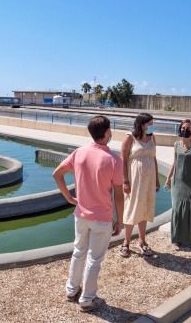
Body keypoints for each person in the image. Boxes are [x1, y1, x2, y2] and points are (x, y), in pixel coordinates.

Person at [52, 115, 124, 312]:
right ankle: (87, 300)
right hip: (102, 218)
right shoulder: (114, 160)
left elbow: (57, 174)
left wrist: (68, 197)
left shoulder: (79, 153)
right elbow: (119, 195)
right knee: (94, 259)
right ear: (107, 132)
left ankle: (71, 290)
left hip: (81, 214)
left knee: (78, 252)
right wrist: (121, 220)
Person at [120, 113, 160, 258]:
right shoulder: (130, 137)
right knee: (131, 208)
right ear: (141, 124)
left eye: (152, 123)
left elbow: (154, 158)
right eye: (149, 123)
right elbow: (123, 161)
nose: (152, 126)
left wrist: (156, 179)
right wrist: (125, 181)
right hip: (134, 179)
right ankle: (126, 242)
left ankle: (142, 241)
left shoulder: (152, 137)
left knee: (145, 207)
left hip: (148, 180)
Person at [165, 119, 191, 247]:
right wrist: (168, 177)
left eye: (188, 128)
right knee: (177, 210)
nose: (185, 130)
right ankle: (177, 238)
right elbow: (175, 162)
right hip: (178, 182)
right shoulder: (176, 144)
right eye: (183, 128)